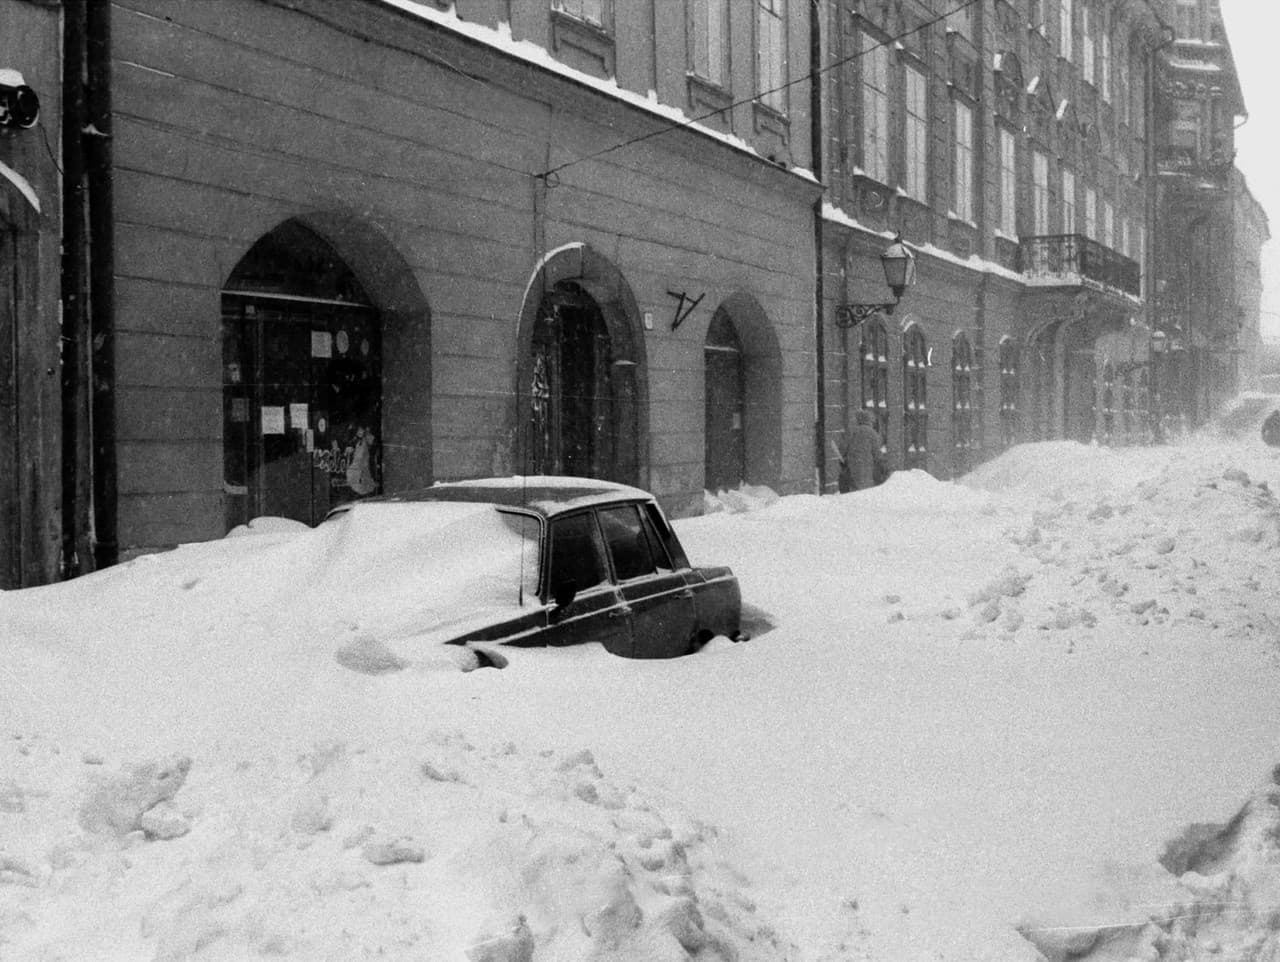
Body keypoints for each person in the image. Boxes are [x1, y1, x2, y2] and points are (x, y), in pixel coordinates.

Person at [839, 411, 884, 492]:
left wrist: (844, 459)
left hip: (852, 463)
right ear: (869, 420)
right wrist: (881, 462)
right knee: (866, 487)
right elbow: (876, 453)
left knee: (854, 486)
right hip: (867, 464)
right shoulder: (873, 433)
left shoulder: (852, 431)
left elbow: (843, 447)